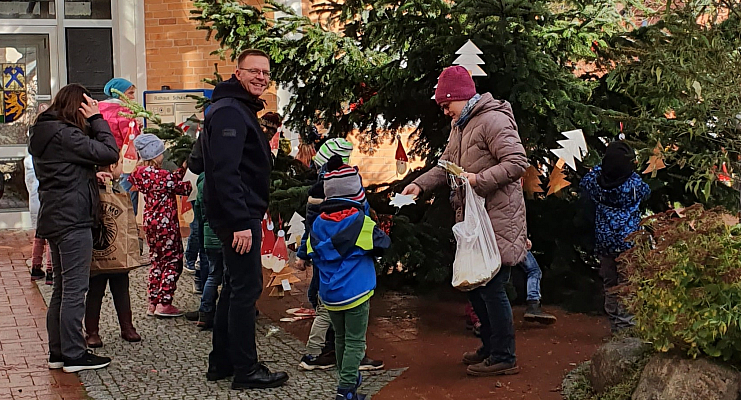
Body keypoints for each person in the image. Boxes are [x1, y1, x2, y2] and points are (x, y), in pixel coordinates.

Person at [401, 66, 528, 376]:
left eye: (447, 104)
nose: (445, 111)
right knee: (476, 288)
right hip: (475, 223)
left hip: (497, 220)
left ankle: (504, 356)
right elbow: (447, 166)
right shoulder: (461, 125)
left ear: (461, 96)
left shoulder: (492, 120)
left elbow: (517, 162)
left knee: (492, 289)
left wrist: (478, 180)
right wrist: (420, 184)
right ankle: (489, 346)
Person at [200, 49, 289, 389]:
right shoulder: (230, 113)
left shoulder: (234, 109)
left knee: (235, 288)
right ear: (237, 73)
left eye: (265, 73)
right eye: (254, 71)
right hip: (238, 216)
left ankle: (222, 362)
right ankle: (246, 370)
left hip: (239, 213)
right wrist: (240, 221)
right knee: (245, 291)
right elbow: (225, 171)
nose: (261, 77)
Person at [29, 83, 118, 373]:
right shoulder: (66, 135)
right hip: (72, 218)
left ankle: (58, 353)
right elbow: (109, 152)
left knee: (61, 288)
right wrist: (97, 119)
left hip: (54, 216)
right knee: (74, 290)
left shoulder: (47, 132)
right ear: (78, 108)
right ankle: (74, 355)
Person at [298, 158, 391, 400]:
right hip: (357, 292)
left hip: (330, 294)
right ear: (356, 195)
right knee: (355, 341)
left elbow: (309, 250)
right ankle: (346, 389)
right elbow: (383, 244)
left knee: (340, 337)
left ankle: (345, 376)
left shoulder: (318, 224)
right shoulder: (360, 224)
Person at [579, 141, 650, 333]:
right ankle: (626, 327)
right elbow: (646, 192)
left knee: (610, 283)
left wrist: (599, 168)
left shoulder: (596, 184)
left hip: (605, 244)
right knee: (628, 285)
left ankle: (613, 324)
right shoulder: (634, 185)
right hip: (628, 244)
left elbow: (585, 182)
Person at [128, 134, 192, 318]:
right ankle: (165, 303)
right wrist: (185, 170)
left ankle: (153, 302)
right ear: (154, 155)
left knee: (156, 260)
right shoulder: (163, 176)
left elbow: (170, 181)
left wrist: (180, 171)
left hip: (150, 223)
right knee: (173, 260)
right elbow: (183, 187)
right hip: (167, 224)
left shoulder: (139, 174)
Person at [84, 162, 142, 347]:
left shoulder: (117, 189)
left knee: (121, 287)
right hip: (99, 252)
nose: (122, 169)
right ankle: (92, 331)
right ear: (112, 166)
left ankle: (127, 326)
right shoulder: (92, 189)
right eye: (121, 164)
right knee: (95, 290)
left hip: (117, 253)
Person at [184, 171, 223, 330]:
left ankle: (205, 313)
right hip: (223, 235)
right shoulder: (226, 178)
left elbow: (198, 215)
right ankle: (224, 313)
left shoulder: (202, 181)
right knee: (228, 276)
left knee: (213, 275)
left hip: (208, 236)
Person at [99, 78, 140, 213]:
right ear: (120, 94)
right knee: (126, 197)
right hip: (123, 160)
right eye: (130, 93)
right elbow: (132, 138)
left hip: (100, 159)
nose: (133, 98)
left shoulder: (97, 109)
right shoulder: (124, 112)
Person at [24, 152, 52, 284]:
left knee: (38, 235)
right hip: (47, 202)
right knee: (52, 237)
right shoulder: (45, 158)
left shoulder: (29, 162)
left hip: (35, 204)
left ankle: (36, 266)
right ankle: (51, 270)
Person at [520, 240, 557, 324]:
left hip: (496, 245)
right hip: (514, 244)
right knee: (534, 271)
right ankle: (533, 305)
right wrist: (523, 238)